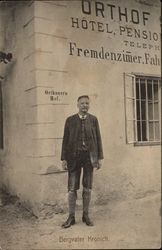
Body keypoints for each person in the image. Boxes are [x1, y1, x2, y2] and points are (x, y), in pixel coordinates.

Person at [61, 95, 104, 228]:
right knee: (72, 188)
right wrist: (63, 159)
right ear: (77, 104)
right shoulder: (70, 120)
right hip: (73, 157)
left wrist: (99, 158)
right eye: (82, 103)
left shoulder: (93, 120)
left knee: (87, 188)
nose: (85, 105)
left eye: (87, 103)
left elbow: (98, 139)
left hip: (89, 158)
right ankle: (71, 217)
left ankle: (85, 215)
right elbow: (65, 140)